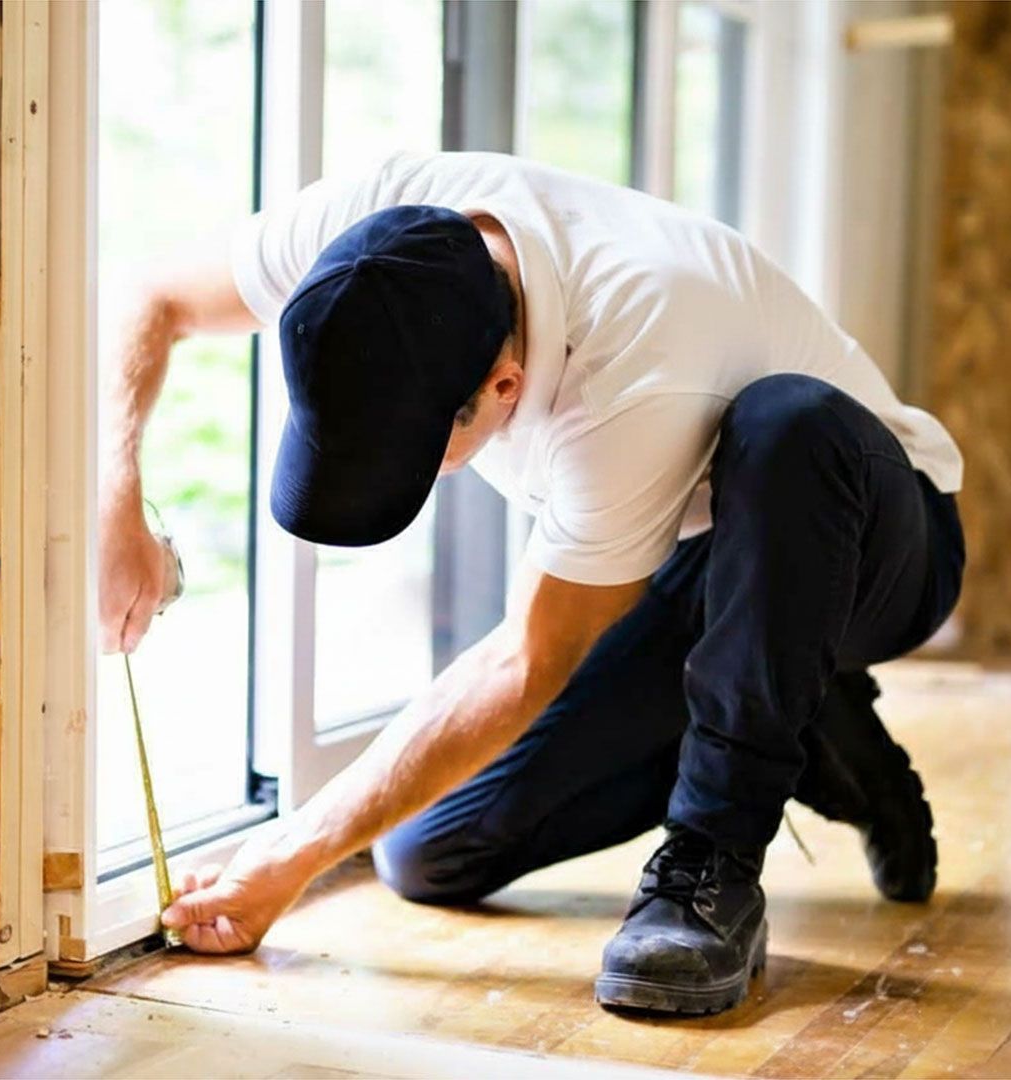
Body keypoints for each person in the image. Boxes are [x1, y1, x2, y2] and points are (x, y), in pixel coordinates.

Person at [98, 151, 965, 1017]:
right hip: (689, 550)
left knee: (788, 423)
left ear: (504, 386)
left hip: (871, 543)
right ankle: (802, 721)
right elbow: (157, 296)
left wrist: (287, 858)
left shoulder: (631, 364)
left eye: (416, 460)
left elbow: (527, 658)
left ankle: (713, 872)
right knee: (429, 853)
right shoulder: (370, 245)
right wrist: (113, 496)